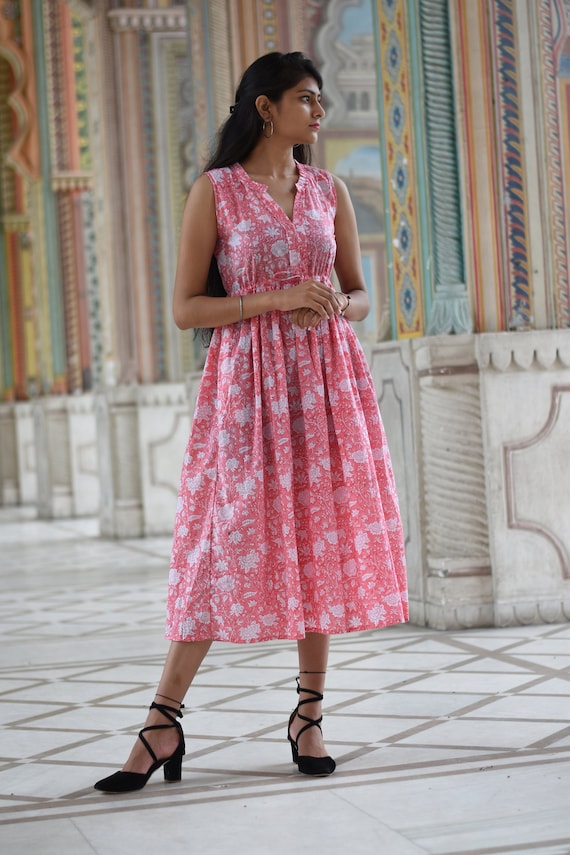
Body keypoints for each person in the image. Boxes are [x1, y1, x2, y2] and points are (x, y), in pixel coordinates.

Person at [94, 51, 408, 794]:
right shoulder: (217, 192)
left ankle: (309, 714)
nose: (320, 112)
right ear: (265, 107)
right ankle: (163, 717)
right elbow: (185, 310)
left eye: (323, 101)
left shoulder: (328, 191)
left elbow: (360, 294)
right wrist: (278, 299)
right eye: (306, 99)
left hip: (327, 383)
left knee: (321, 536)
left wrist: (333, 304)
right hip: (247, 390)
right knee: (219, 544)